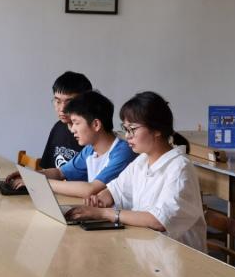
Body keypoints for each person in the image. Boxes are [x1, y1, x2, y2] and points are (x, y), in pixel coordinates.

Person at [64, 91, 205, 251]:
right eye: (125, 129)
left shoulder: (180, 168)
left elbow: (158, 221)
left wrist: (103, 213)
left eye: (132, 129)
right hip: (149, 249)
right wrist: (100, 199)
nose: (127, 136)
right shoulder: (142, 161)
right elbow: (115, 191)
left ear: (157, 129)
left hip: (178, 257)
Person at [6, 90, 136, 198]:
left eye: (76, 123)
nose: (72, 129)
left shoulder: (122, 152)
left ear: (96, 124)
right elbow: (60, 173)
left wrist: (35, 182)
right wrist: (29, 176)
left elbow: (90, 189)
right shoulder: (90, 150)